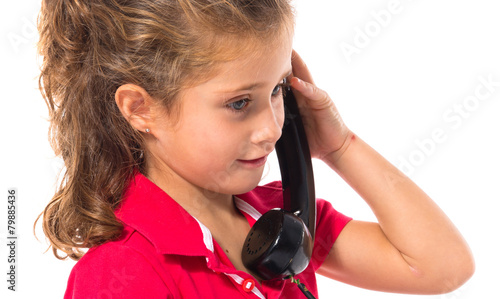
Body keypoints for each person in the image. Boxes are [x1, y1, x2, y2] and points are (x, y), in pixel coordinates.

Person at [36, 0, 474, 298]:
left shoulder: (283, 223)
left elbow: (441, 265)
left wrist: (339, 145)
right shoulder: (123, 273)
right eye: (239, 103)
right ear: (140, 109)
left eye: (279, 90)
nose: (271, 128)